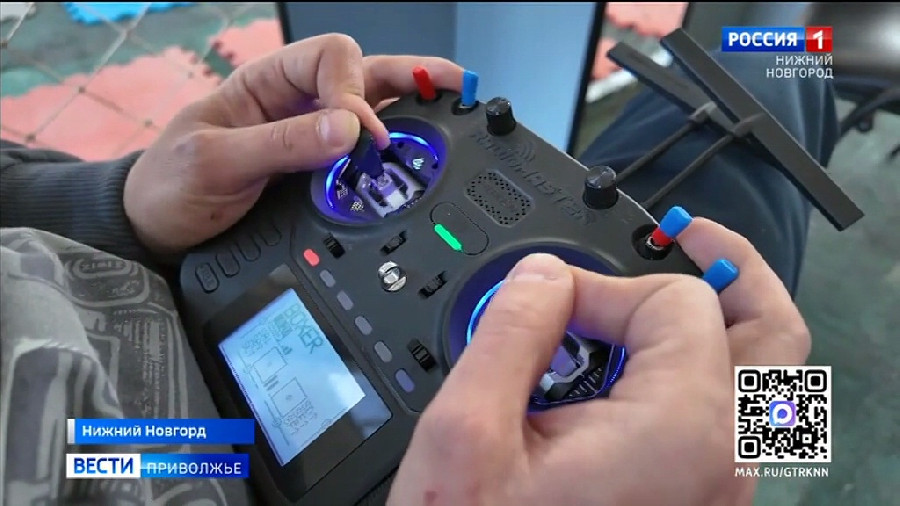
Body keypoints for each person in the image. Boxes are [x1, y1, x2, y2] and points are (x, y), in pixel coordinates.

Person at [0, 32, 832, 505]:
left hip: (190, 440)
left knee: (715, 132)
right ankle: (812, 49)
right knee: (765, 339)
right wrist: (747, 462)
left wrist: (121, 208)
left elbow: (84, 450)